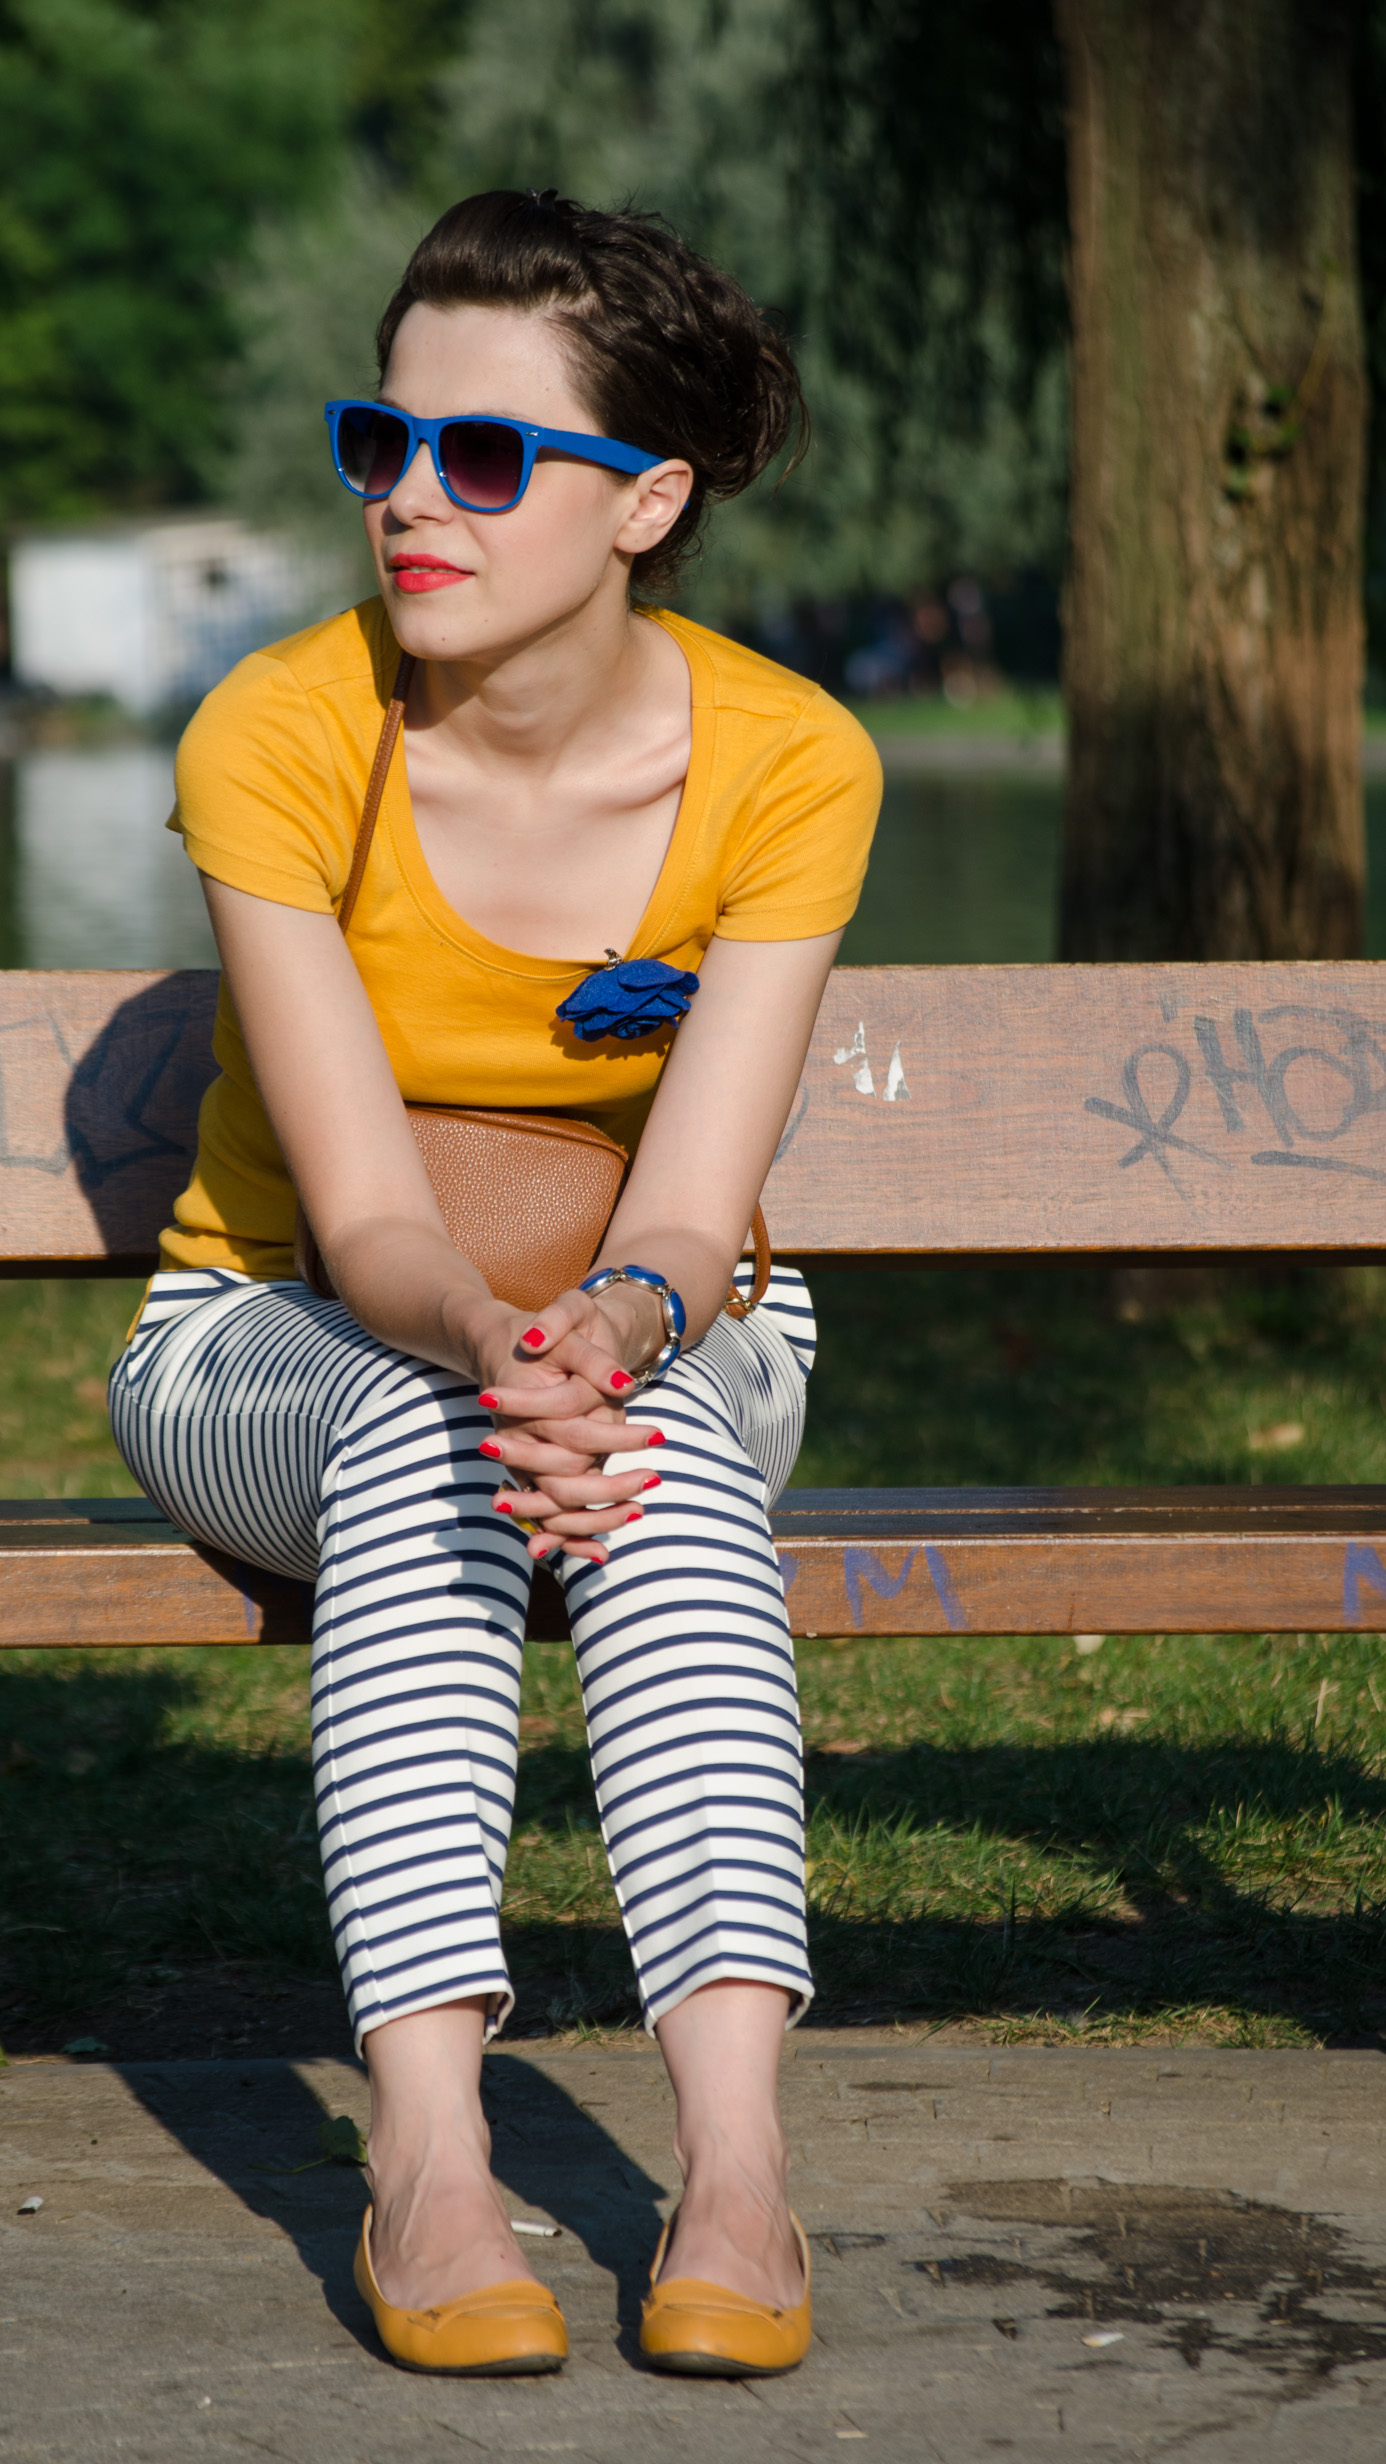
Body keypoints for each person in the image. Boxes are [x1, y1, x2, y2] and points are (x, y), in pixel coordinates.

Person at [109, 188, 880, 2378]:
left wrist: (606, 1337)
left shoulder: (791, 760)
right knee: (434, 1408)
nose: (407, 502)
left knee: (642, 1451)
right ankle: (430, 2156)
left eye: (480, 455)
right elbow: (357, 1222)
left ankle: (734, 2169)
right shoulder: (275, 733)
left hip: (667, 1323)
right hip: (276, 1334)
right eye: (381, 442)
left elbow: (699, 1202)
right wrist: (500, 1346)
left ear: (647, 499)